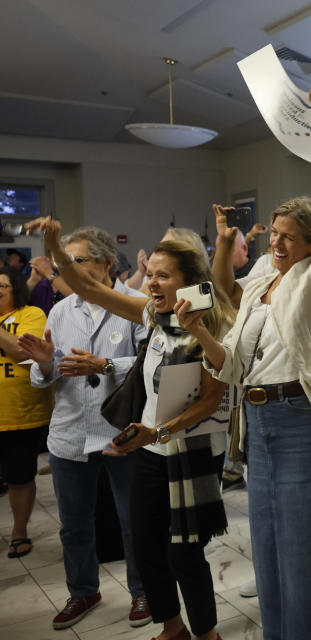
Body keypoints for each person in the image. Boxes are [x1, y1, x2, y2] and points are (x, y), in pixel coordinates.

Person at [179, 89, 311, 640]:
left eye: (291, 237)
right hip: (259, 424)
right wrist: (198, 330)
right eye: (275, 233)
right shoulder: (263, 279)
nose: (280, 243)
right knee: (268, 546)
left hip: (304, 421)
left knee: (310, 550)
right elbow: (234, 365)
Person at [25, 217, 235, 640]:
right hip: (152, 449)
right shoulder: (152, 315)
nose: (152, 283)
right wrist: (55, 250)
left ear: (188, 280)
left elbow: (213, 398)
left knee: (185, 552)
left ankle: (206, 633)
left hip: (190, 451)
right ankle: (172, 627)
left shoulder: (212, 323)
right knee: (143, 544)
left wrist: (158, 433)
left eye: (163, 276)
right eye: (150, 274)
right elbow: (87, 288)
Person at [18, 226, 151, 629]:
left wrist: (106, 365)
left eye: (76, 261)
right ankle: (82, 591)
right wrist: (43, 362)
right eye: (65, 263)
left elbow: (151, 363)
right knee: (75, 524)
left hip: (120, 431)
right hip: (70, 431)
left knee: (134, 520)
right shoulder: (62, 310)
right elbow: (47, 376)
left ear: (107, 263)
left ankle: (143, 593)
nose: (68, 269)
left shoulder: (136, 305)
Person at [0, 265, 53, 560]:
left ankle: (19, 532)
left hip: (20, 413)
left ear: (15, 290)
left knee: (20, 477)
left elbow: (24, 353)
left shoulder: (30, 315)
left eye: (1, 287)